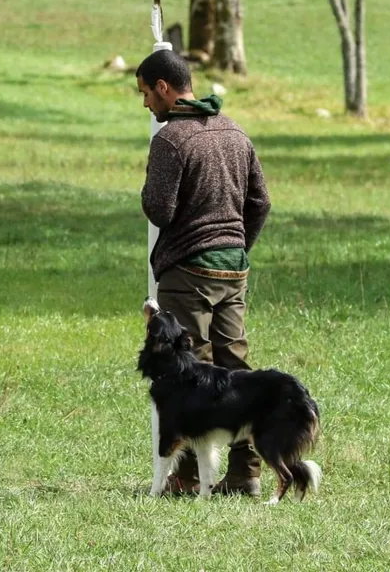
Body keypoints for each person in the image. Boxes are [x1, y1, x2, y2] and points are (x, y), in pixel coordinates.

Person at [136, 50, 271, 496]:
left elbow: (160, 208)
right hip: (233, 267)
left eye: (145, 94)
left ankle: (190, 477)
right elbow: (261, 203)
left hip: (188, 269)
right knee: (237, 372)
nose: (145, 107)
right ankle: (246, 474)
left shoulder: (171, 140)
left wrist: (148, 177)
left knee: (191, 375)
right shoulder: (235, 131)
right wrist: (235, 244)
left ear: (164, 88)